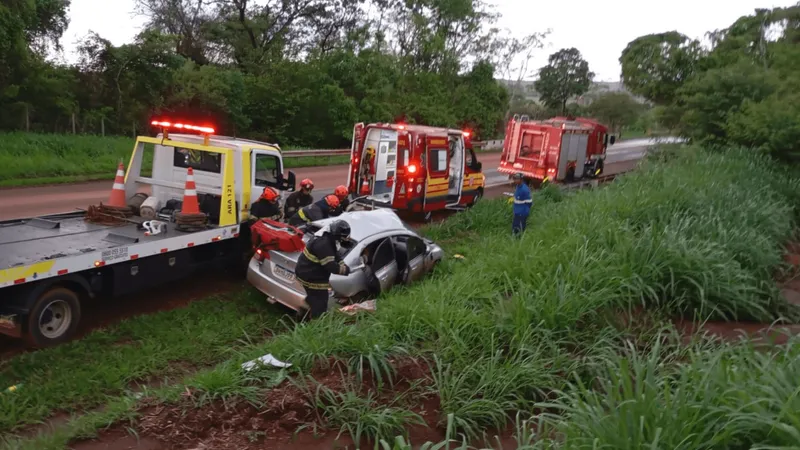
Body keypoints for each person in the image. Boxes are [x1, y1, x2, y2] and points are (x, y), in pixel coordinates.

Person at [295, 220, 352, 319]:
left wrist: (343, 264)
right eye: (343, 238)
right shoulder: (323, 245)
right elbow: (331, 267)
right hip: (311, 277)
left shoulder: (328, 237)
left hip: (306, 271)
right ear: (337, 235)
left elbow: (335, 254)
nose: (344, 240)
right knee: (320, 303)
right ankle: (315, 324)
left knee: (313, 297)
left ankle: (304, 311)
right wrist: (346, 270)